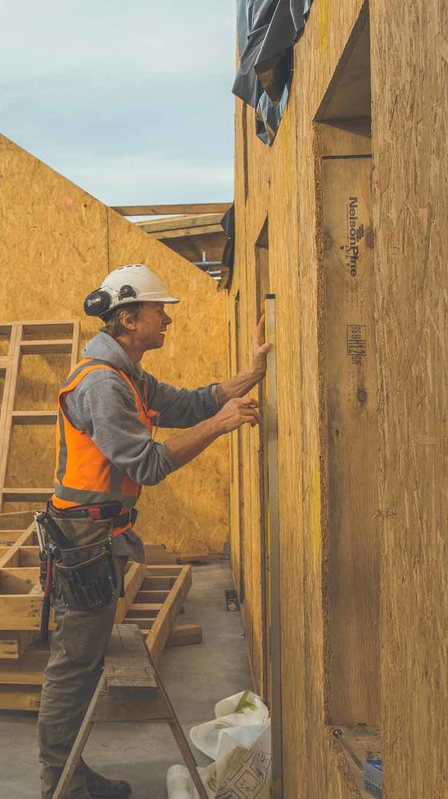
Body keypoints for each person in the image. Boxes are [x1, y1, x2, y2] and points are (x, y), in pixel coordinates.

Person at [38, 264, 270, 799]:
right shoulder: (101, 383)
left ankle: (72, 774)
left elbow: (189, 402)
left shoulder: (128, 376)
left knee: (84, 658)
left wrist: (250, 375)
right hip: (82, 542)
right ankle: (60, 783)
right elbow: (147, 465)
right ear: (126, 317)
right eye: (157, 310)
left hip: (97, 538)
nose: (166, 319)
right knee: (74, 664)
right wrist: (222, 424)